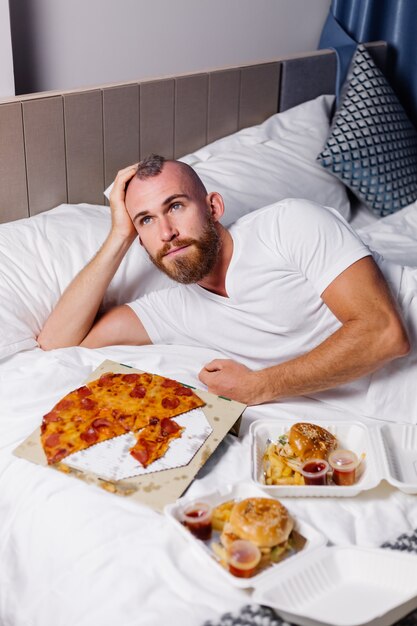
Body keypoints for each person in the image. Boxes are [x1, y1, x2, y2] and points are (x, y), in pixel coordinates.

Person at [37, 154, 410, 406]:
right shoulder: (174, 309)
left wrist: (258, 385)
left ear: (213, 207)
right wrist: (119, 234)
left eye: (176, 206)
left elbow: (384, 333)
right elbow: (57, 342)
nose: (165, 231)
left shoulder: (289, 225)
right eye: (146, 220)